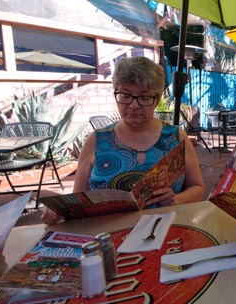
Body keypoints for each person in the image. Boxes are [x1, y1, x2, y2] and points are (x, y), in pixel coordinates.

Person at [42, 56, 204, 224]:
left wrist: (176, 200)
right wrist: (57, 211)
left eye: (144, 97)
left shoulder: (175, 137)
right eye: (125, 95)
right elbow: (77, 201)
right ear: (115, 93)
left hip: (165, 233)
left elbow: (197, 188)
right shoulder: (97, 140)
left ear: (156, 100)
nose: (134, 105)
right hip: (108, 235)